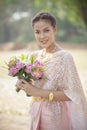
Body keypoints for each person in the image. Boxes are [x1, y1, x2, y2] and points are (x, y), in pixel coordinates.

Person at [16, 12, 87, 130]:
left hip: (55, 118)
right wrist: (25, 85)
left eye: (46, 30)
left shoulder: (65, 57)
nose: (42, 36)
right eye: (37, 32)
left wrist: (37, 91)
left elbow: (73, 94)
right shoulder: (34, 56)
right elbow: (34, 88)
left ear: (54, 30)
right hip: (36, 112)